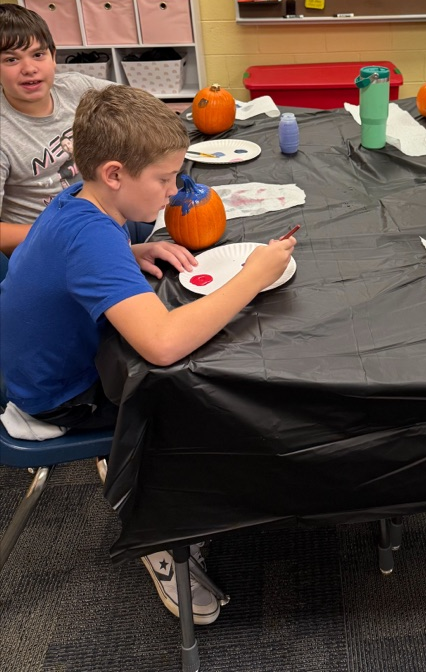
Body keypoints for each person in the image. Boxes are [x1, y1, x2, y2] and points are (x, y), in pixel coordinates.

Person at [0, 84, 297, 624]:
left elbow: (72, 257)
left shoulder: (78, 199)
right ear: (115, 174)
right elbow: (161, 344)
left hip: (31, 367)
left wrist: (131, 249)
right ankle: (158, 535)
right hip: (58, 398)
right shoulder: (91, 237)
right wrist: (253, 277)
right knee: (199, 398)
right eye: (164, 179)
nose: (172, 192)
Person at [0, 3, 112, 255]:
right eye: (11, 59)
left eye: (38, 55)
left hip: (99, 219)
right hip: (46, 246)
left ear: (53, 56)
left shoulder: (76, 87)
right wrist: (63, 230)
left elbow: (139, 106)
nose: (29, 68)